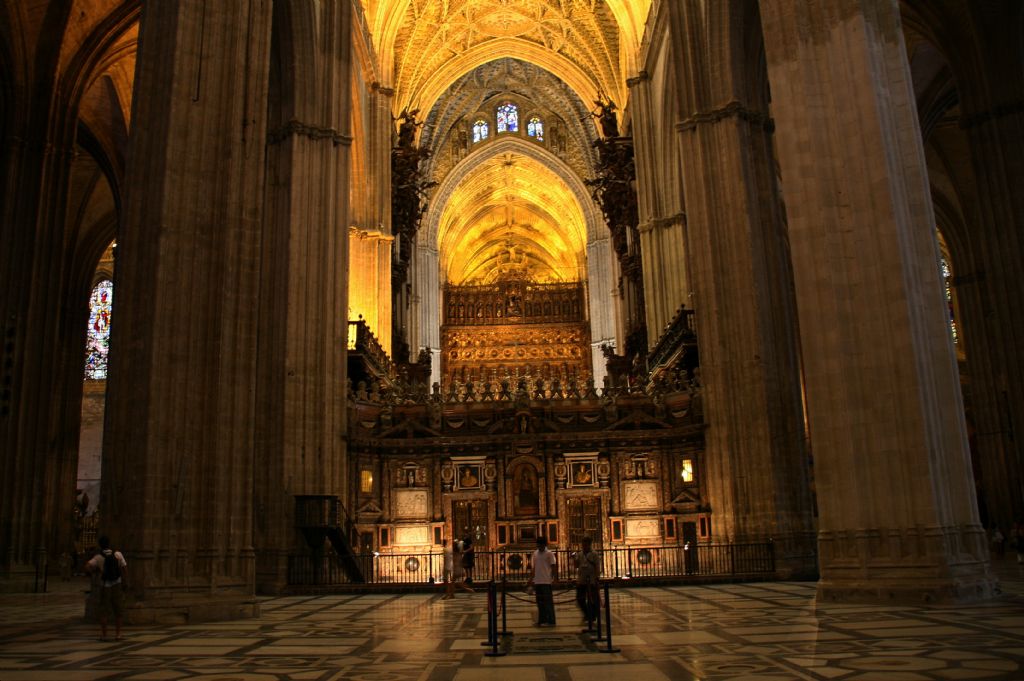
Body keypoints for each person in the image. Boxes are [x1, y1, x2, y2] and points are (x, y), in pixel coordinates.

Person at [86, 535, 127, 641]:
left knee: (104, 610)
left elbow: (87, 566)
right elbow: (124, 568)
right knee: (118, 609)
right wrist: (124, 580)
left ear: (100, 545)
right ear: (109, 543)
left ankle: (104, 635)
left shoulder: (98, 557)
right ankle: (118, 634)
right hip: (117, 584)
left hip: (105, 585)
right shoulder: (117, 554)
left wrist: (95, 573)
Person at [573, 536, 601, 627]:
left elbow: (597, 566)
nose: (584, 546)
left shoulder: (594, 554)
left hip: (591, 580)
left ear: (589, 544)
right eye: (583, 544)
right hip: (582, 579)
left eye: (586, 544)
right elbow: (576, 566)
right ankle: (587, 614)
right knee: (580, 598)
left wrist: (597, 577)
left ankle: (592, 615)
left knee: (592, 600)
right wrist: (574, 559)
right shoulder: (580, 554)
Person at [530, 535, 557, 626]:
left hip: (546, 581)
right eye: (538, 545)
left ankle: (551, 620)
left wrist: (554, 578)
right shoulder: (535, 553)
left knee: (548, 602)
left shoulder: (549, 553)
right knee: (540, 603)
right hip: (537, 581)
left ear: (544, 545)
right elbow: (534, 568)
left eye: (541, 545)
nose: (539, 547)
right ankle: (542, 620)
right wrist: (531, 580)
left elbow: (553, 566)